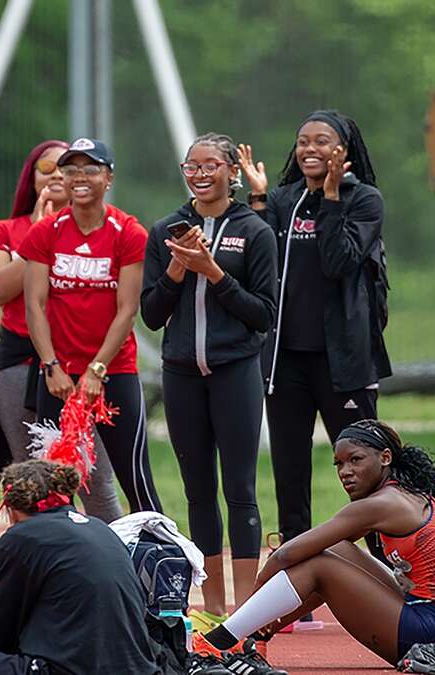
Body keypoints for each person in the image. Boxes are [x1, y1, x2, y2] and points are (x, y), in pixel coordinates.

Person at [239, 110, 389, 563]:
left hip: (344, 361)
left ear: (343, 149)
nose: (309, 149)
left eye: (322, 141)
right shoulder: (283, 200)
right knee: (289, 468)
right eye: (303, 141)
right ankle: (294, 571)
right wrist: (260, 201)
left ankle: (382, 563)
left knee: (363, 466)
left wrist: (330, 198)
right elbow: (260, 264)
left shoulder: (364, 200)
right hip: (286, 361)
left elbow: (338, 262)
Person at [203, 420, 435, 669]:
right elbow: (317, 549)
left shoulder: (381, 505)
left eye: (355, 460)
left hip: (431, 634)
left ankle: (217, 642)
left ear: (385, 458)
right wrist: (265, 619)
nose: (345, 472)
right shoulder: (396, 493)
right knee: (334, 550)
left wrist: (254, 599)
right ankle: (256, 633)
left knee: (321, 565)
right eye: (339, 464)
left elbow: (285, 556)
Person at [141, 132, 278, 615]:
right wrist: (179, 271)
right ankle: (213, 609)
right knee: (198, 491)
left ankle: (246, 612)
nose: (200, 175)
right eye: (191, 167)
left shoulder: (255, 231)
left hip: (234, 371)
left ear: (231, 172)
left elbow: (263, 314)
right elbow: (152, 314)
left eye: (210, 166)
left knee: (239, 489)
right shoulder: (166, 230)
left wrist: (213, 271)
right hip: (181, 374)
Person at [0, 460, 162, 675]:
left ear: (11, 508)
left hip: (66, 669)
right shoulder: (99, 528)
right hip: (137, 667)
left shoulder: (22, 537)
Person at [0, 139, 122, 521]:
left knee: (95, 478)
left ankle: (115, 570)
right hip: (19, 363)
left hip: (80, 365)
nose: (58, 174)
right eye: (48, 167)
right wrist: (39, 236)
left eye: (68, 166)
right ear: (32, 176)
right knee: (32, 481)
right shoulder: (5, 230)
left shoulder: (102, 229)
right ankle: (42, 566)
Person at [21, 137, 163, 514]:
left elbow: (127, 309)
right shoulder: (45, 232)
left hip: (113, 371)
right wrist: (50, 365)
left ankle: (163, 565)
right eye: (70, 169)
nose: (79, 177)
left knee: (136, 480)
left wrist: (97, 370)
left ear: (108, 177)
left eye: (90, 168)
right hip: (57, 378)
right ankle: (61, 567)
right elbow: (34, 305)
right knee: (52, 485)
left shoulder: (128, 233)